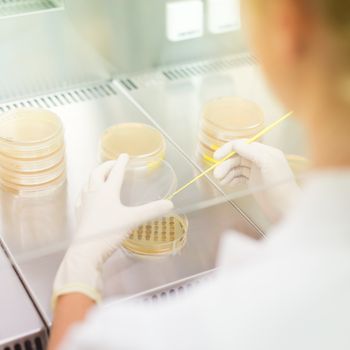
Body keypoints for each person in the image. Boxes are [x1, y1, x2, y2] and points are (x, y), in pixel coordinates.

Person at [48, 0, 350, 348]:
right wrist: (292, 209)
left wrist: (79, 264)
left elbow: (76, 342)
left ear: (290, 24)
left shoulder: (202, 330)